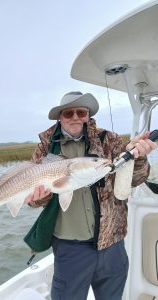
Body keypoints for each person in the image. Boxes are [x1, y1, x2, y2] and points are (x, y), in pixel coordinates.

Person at [23, 91, 157, 300]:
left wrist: (138, 158)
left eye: (81, 112)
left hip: (112, 245)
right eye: (69, 113)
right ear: (60, 116)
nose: (75, 117)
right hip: (70, 248)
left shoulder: (109, 140)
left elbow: (134, 179)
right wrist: (39, 196)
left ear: (87, 115)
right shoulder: (45, 147)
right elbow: (34, 202)